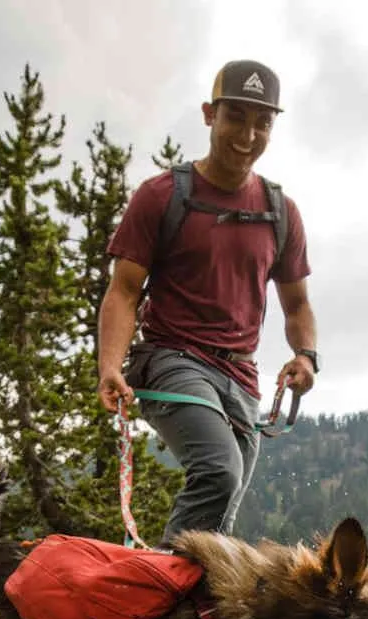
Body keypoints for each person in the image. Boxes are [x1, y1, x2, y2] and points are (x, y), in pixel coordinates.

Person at [97, 59, 319, 547]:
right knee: (220, 472)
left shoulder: (280, 213)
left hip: (241, 377)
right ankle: (159, 605)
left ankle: (190, 614)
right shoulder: (161, 196)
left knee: (222, 511)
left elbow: (297, 305)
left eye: (263, 122)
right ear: (208, 115)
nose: (248, 133)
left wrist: (306, 356)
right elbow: (124, 290)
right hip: (172, 361)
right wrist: (109, 366)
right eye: (236, 116)